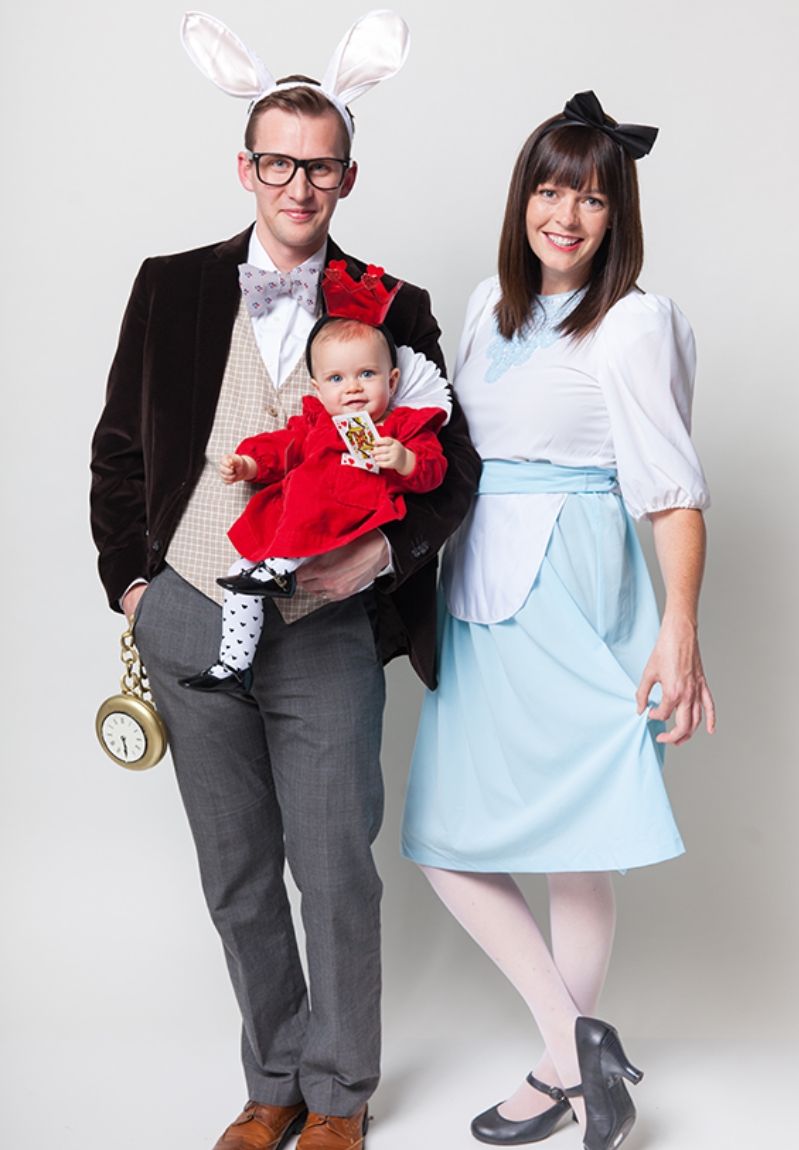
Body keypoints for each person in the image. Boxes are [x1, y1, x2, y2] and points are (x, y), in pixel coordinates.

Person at [90, 11, 479, 1150]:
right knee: (237, 873)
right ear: (245, 165)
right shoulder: (169, 285)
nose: (297, 184)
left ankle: (341, 1094)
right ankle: (272, 1082)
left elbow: (453, 474)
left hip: (322, 628)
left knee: (332, 870)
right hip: (188, 613)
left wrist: (388, 553)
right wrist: (133, 587)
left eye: (318, 164)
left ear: (348, 174)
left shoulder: (394, 303)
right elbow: (118, 451)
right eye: (277, 160)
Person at [400, 90, 715, 1150]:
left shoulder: (635, 321)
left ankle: (560, 1065)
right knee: (448, 837)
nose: (564, 214)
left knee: (578, 845)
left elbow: (668, 489)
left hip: (578, 589)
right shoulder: (485, 306)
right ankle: (578, 1046)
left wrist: (680, 629)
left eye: (589, 194)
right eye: (547, 187)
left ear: (616, 211)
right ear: (521, 199)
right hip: (481, 587)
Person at [180, 289, 450, 693]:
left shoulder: (403, 427)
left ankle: (280, 568)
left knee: (311, 484)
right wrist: (249, 463)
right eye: (337, 379)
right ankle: (235, 662)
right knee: (239, 575)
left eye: (367, 375)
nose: (353, 388)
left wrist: (404, 459)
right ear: (319, 388)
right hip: (304, 519)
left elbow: (436, 471)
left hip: (354, 511)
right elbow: (281, 448)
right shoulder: (316, 425)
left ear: (392, 380)